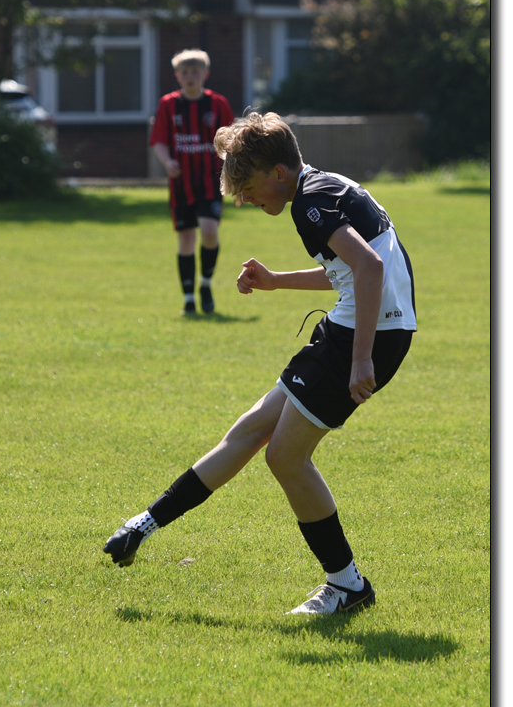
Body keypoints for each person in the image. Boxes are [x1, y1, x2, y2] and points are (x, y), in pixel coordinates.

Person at [104, 112, 417, 615]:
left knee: (285, 458)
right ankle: (141, 526)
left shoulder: (310, 201)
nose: (246, 200)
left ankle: (347, 586)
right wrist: (276, 281)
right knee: (250, 431)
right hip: (356, 330)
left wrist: (361, 359)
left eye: (247, 188)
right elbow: (347, 272)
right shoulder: (320, 187)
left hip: (367, 339)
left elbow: (370, 267)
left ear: (277, 172)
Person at [148, 49, 234, 314]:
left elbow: (232, 141)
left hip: (210, 181)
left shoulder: (217, 104)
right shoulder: (168, 104)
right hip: (180, 183)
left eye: (195, 71)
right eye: (184, 72)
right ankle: (188, 299)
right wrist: (167, 162)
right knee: (185, 239)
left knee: (209, 232)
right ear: (177, 76)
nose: (190, 76)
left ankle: (205, 284)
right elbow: (159, 140)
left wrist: (233, 174)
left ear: (205, 74)